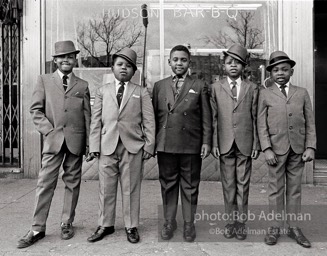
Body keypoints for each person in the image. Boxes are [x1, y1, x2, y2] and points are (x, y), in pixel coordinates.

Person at [17, 40, 91, 248]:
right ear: (55, 60)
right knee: (45, 183)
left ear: (75, 59)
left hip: (76, 142)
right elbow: (35, 110)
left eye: (70, 56)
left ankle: (67, 222)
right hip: (53, 141)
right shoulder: (44, 81)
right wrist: (49, 131)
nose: (66, 59)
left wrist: (88, 145)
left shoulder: (82, 85)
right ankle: (37, 227)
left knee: (72, 183)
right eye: (61, 57)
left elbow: (88, 117)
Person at [86, 48, 155, 244]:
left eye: (128, 66)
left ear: (134, 71)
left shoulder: (140, 92)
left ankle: (131, 225)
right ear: (112, 67)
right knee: (106, 188)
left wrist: (149, 145)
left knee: (131, 187)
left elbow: (149, 121)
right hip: (107, 146)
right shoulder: (102, 91)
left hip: (132, 147)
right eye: (120, 64)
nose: (124, 68)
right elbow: (95, 121)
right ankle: (105, 224)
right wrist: (94, 146)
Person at [152, 45, 212, 242]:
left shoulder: (200, 85)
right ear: (169, 62)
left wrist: (206, 142)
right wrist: (153, 143)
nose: (179, 63)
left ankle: (188, 222)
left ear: (189, 63)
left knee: (190, 184)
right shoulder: (159, 86)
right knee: (168, 184)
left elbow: (206, 117)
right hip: (166, 143)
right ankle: (169, 221)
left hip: (191, 143)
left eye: (183, 60)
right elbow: (154, 117)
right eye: (175, 59)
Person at [257, 51, 316, 248]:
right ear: (270, 74)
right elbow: (261, 123)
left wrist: (310, 146)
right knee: (275, 189)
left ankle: (294, 227)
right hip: (275, 149)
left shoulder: (302, 93)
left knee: (294, 189)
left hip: (297, 149)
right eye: (275, 70)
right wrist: (266, 148)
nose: (280, 73)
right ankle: (274, 227)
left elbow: (310, 122)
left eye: (284, 69)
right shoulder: (265, 93)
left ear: (291, 71)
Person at [210, 44, 260, 240]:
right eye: (229, 62)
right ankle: (230, 221)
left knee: (243, 183)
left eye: (237, 63)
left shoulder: (252, 88)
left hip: (245, 142)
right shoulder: (215, 88)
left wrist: (256, 143)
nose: (233, 66)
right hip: (224, 142)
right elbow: (213, 118)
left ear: (244, 66)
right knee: (228, 183)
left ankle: (241, 222)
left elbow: (256, 117)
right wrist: (214, 143)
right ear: (224, 65)